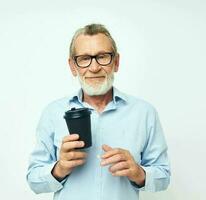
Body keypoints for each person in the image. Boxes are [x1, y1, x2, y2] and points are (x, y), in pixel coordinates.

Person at [26, 23, 171, 200]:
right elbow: (33, 180)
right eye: (85, 58)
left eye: (103, 57)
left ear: (116, 62)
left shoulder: (144, 112)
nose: (94, 68)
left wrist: (139, 173)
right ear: (73, 66)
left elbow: (163, 176)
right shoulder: (53, 113)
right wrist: (60, 168)